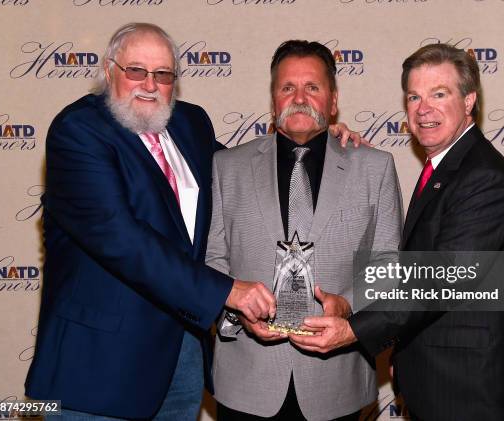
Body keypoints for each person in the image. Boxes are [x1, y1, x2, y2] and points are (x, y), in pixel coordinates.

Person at [24, 24, 360, 420]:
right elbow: (122, 240)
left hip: (181, 359)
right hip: (98, 368)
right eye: (136, 70)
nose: (149, 85)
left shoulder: (189, 123)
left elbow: (244, 174)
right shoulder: (78, 132)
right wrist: (228, 291)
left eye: (163, 74)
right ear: (109, 70)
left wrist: (313, 139)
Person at [290, 43, 504, 421]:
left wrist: (353, 329)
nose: (423, 109)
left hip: (471, 395)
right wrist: (335, 152)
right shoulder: (443, 167)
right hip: (437, 383)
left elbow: (438, 279)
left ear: (469, 101)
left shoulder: (484, 179)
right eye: (414, 96)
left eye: (439, 94)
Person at [205, 40, 403, 421]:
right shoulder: (226, 167)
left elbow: (388, 264)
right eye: (287, 88)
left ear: (332, 101)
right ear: (273, 100)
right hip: (247, 381)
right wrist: (237, 313)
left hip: (337, 383)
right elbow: (214, 259)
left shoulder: (374, 168)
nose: (299, 97)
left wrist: (347, 304)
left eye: (312, 87)